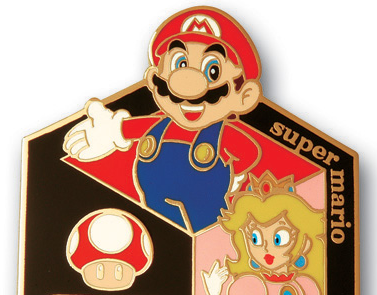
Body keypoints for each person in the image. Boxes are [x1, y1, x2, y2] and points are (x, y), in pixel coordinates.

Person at [63, 7, 264, 233]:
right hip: (155, 213)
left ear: (245, 97)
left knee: (208, 229)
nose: (187, 83)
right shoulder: (157, 125)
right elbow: (126, 129)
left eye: (213, 71)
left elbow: (249, 152)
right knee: (159, 229)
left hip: (205, 206)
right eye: (180, 63)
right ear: (153, 78)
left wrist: (236, 176)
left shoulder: (223, 135)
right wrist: (108, 131)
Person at [202, 174, 326, 295]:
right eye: (256, 239)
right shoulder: (254, 287)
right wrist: (213, 292)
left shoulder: (306, 287)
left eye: (279, 238)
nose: (267, 249)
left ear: (302, 242)